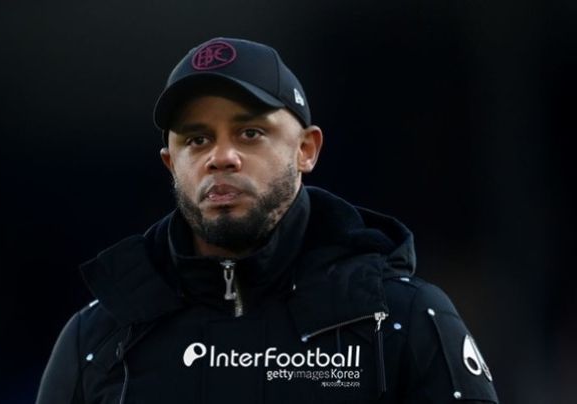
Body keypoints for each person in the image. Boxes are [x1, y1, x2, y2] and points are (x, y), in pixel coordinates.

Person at [36, 37, 499, 404]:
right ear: (170, 164)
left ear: (306, 150)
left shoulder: (399, 317)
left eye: (250, 132)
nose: (221, 156)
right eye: (196, 140)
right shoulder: (96, 338)